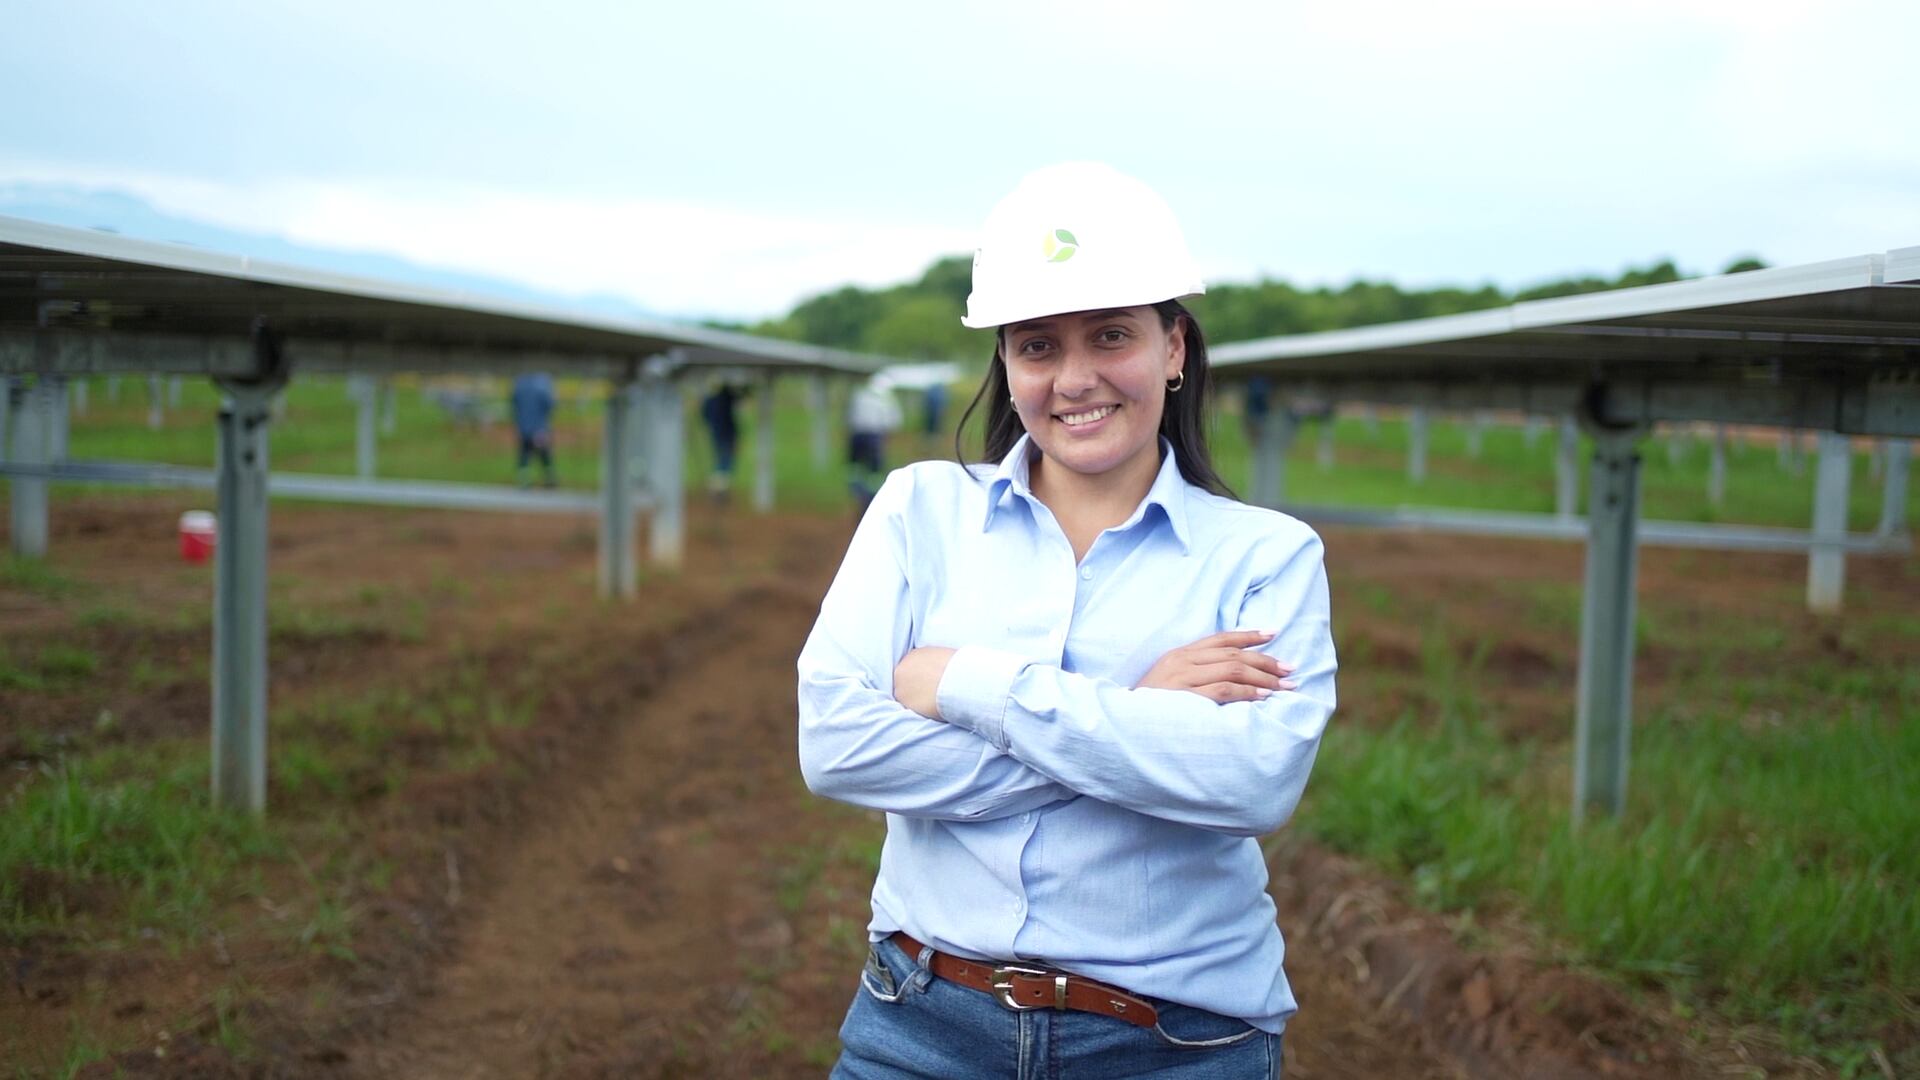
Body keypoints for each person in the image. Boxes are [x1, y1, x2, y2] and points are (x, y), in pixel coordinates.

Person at [797, 162, 1337, 1078]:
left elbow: (1253, 781)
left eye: (1112, 336)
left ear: (1174, 347)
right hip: (919, 1024)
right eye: (1037, 345)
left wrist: (964, 682)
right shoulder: (919, 511)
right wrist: (1132, 713)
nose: (1074, 378)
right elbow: (836, 748)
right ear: (1006, 364)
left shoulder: (1266, 556)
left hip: (1174, 1045)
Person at [846, 372, 903, 514]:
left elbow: (850, 417)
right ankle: (871, 497)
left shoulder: (859, 396)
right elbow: (893, 422)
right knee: (874, 471)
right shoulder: (887, 400)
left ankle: (859, 493)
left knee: (857, 468)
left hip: (857, 436)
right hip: (874, 437)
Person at [700, 378, 747, 501]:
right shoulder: (726, 401)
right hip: (726, 435)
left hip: (716, 434)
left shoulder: (712, 400)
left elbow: (704, 413)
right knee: (725, 464)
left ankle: (718, 491)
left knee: (721, 463)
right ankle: (719, 493)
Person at [510, 372, 556, 488]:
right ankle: (549, 479)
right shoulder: (542, 383)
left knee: (525, 453)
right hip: (539, 428)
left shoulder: (519, 382)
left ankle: (524, 481)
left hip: (524, 427)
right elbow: (549, 404)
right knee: (543, 453)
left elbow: (514, 403)